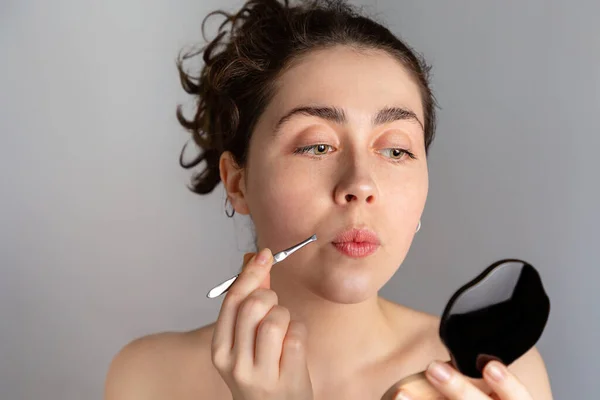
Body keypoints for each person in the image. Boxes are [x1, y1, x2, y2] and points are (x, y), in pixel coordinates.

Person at [104, 0, 553, 399]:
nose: (360, 183)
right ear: (237, 182)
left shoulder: (498, 375)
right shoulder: (147, 379)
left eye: (396, 150)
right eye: (317, 146)